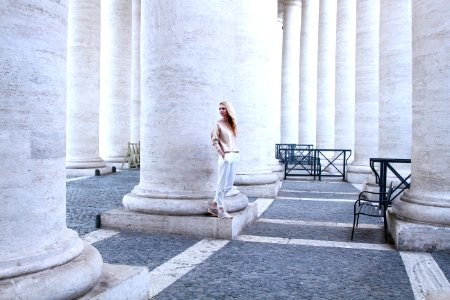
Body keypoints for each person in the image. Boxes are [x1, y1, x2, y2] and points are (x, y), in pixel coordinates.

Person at [208, 100, 240, 219]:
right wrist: (221, 153)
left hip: (235, 155)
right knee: (221, 184)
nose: (221, 111)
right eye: (220, 109)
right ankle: (221, 209)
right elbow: (214, 140)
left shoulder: (232, 124)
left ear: (228, 110)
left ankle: (214, 205)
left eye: (223, 108)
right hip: (225, 155)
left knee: (229, 185)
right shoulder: (218, 123)